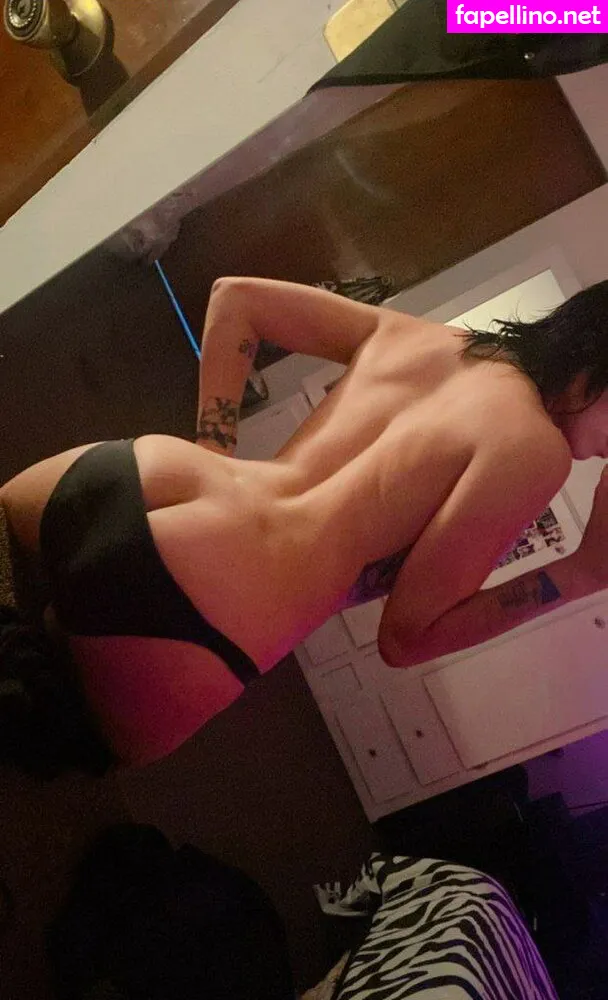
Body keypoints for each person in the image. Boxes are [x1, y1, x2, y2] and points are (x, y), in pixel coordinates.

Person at [1, 276, 608, 777]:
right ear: (593, 366)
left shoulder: (434, 340)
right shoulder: (537, 451)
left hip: (142, 476)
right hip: (206, 605)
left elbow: (236, 300)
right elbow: (407, 639)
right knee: (56, 750)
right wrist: (581, 573)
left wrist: (213, 453)